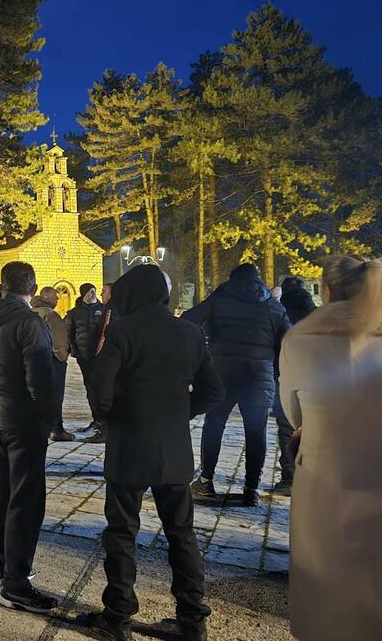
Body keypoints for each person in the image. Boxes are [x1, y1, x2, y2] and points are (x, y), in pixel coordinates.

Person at [85, 265, 224, 641]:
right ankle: (192, 619)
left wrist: (111, 418)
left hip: (129, 445)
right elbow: (213, 391)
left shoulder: (122, 331)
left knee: (122, 532)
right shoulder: (189, 332)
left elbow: (99, 389)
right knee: (182, 533)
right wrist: (180, 412)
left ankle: (118, 616)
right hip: (173, 449)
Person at [278, 255, 382, 641]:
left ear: (327, 290)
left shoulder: (301, 338)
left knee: (324, 579)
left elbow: (293, 412)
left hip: (323, 471)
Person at [0, 261, 58, 614]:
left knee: (1, 492)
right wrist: (48, 420)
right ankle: (16, 584)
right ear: (33, 289)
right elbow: (40, 380)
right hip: (23, 422)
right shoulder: (30, 323)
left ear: (2, 285)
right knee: (25, 501)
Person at [183, 264, 290, 506]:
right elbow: (288, 339)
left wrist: (202, 349)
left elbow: (188, 319)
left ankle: (206, 480)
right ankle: (251, 488)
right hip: (259, 376)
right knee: (256, 431)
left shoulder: (219, 299)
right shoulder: (273, 305)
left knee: (214, 424)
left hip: (222, 372)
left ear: (232, 279)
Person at [269, 275, 317, 496]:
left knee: (287, 428)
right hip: (315, 379)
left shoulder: (280, 314)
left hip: (286, 378)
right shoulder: (317, 315)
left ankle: (289, 478)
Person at [31, 286, 74, 442]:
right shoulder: (51, 315)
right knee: (55, 395)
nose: (57, 299)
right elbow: (59, 341)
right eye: (55, 296)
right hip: (52, 360)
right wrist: (62, 357)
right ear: (46, 297)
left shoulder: (31, 312)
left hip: (34, 360)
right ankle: (56, 429)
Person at [67, 283, 106, 443]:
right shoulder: (75, 313)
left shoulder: (103, 310)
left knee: (100, 389)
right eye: (89, 292)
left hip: (101, 356)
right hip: (84, 356)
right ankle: (96, 419)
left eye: (94, 291)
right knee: (90, 388)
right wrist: (74, 351)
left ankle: (102, 421)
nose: (92, 294)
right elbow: (69, 333)